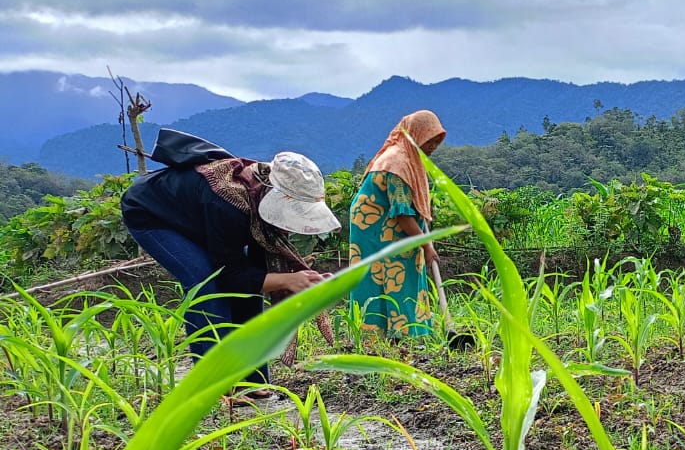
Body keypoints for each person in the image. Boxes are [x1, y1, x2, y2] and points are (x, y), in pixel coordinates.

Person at [121, 141, 339, 396]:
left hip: (198, 219)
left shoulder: (260, 199)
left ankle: (251, 379)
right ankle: (215, 381)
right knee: (206, 283)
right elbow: (229, 275)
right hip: (152, 213)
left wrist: (300, 279)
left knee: (250, 291)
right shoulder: (229, 201)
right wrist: (286, 281)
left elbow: (256, 275)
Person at [348, 110, 444, 340]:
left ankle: (406, 329)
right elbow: (401, 213)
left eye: (436, 141)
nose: (432, 147)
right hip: (373, 227)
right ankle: (387, 332)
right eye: (429, 140)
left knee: (402, 269)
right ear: (416, 135)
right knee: (385, 273)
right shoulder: (397, 163)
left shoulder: (408, 158)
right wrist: (426, 245)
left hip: (386, 223)